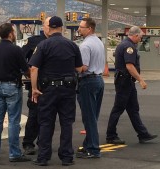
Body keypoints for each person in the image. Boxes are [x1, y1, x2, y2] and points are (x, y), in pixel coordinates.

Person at [29, 16, 83, 166]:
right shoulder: (72, 45)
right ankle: (66, 157)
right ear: (61, 28)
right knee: (67, 123)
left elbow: (34, 68)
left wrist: (34, 88)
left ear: (49, 28)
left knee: (46, 123)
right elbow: (79, 68)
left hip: (48, 90)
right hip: (67, 89)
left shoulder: (43, 45)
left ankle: (43, 157)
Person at [0, 23, 31, 162]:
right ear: (11, 34)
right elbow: (26, 70)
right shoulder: (16, 50)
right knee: (13, 121)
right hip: (12, 86)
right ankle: (14, 153)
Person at [106, 26, 157, 144]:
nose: (141, 39)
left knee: (133, 109)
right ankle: (111, 135)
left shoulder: (124, 44)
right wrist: (141, 80)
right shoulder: (129, 47)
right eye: (140, 37)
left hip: (126, 81)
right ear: (135, 35)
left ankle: (142, 133)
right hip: (125, 82)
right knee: (118, 109)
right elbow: (129, 66)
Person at [76, 18, 105, 158]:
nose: (79, 29)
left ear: (90, 29)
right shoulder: (98, 42)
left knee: (89, 117)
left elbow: (83, 67)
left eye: (81, 27)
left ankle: (93, 149)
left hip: (88, 81)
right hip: (98, 79)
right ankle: (88, 144)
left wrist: (71, 66)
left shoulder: (85, 46)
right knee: (93, 116)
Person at [21, 33, 47, 155]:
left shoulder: (58, 41)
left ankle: (43, 143)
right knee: (34, 115)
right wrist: (28, 72)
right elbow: (21, 57)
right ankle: (28, 143)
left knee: (48, 117)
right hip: (36, 84)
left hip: (52, 85)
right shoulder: (33, 41)